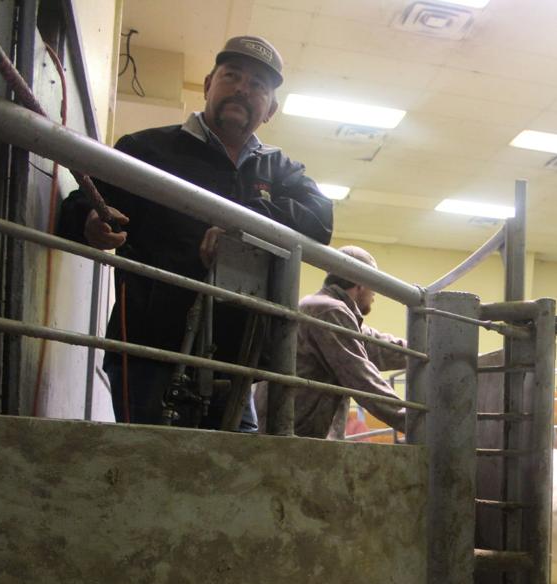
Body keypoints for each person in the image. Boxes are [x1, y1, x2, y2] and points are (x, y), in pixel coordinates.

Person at [58, 35, 333, 430]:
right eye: (231, 76)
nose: (242, 88)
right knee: (152, 475)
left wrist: (242, 222)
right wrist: (88, 223)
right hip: (149, 352)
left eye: (257, 85)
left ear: (270, 108)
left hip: (237, 362)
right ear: (208, 85)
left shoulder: (281, 169)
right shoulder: (148, 149)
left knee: (230, 482)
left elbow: (321, 220)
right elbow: (79, 206)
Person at [255, 246, 406, 438]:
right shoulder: (329, 311)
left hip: (295, 433)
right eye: (374, 284)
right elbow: (361, 378)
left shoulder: (326, 308)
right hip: (296, 437)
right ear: (360, 281)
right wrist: (417, 424)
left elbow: (379, 346)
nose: (375, 293)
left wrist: (430, 349)